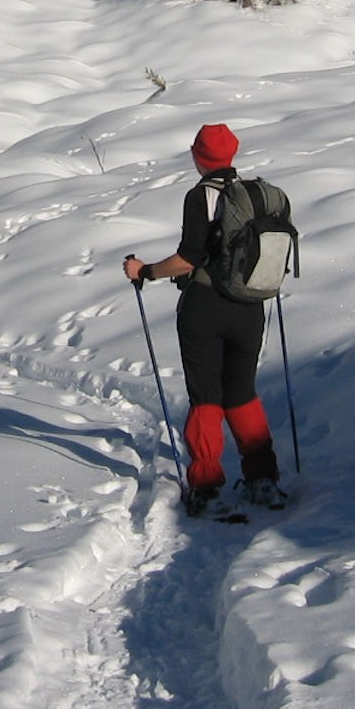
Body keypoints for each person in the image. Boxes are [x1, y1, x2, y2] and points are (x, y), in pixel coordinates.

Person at [124, 123, 284, 515]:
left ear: (199, 157)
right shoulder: (259, 195)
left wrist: (144, 271)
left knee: (206, 396)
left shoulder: (202, 197)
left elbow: (190, 257)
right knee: (242, 392)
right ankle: (263, 480)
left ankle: (207, 487)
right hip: (250, 307)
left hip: (206, 308)